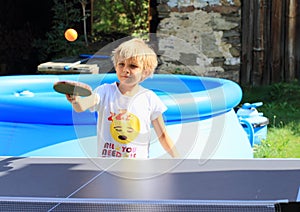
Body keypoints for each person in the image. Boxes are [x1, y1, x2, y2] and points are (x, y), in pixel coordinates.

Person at [66, 38, 179, 159]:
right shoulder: (104, 91)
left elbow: (163, 136)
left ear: (145, 72)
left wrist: (178, 159)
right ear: (115, 66)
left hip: (138, 168)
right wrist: (76, 100)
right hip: (106, 166)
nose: (125, 69)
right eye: (121, 64)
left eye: (133, 66)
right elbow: (81, 106)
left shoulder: (150, 98)